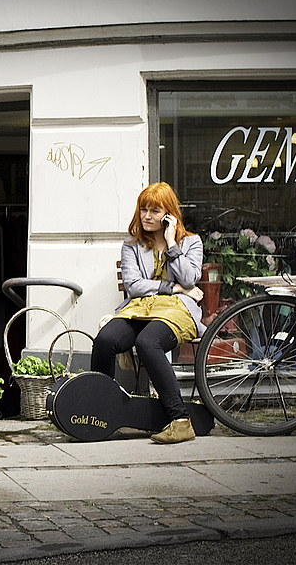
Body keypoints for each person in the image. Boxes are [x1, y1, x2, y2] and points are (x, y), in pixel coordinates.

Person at [91, 182, 205, 444]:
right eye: (144, 210)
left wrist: (171, 243)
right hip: (139, 308)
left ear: (168, 215)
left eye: (155, 211)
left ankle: (180, 420)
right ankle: (98, 411)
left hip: (176, 310)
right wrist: (173, 287)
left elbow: (190, 278)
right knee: (105, 340)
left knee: (147, 342)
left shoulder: (191, 243)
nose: (147, 216)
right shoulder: (132, 245)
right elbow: (133, 285)